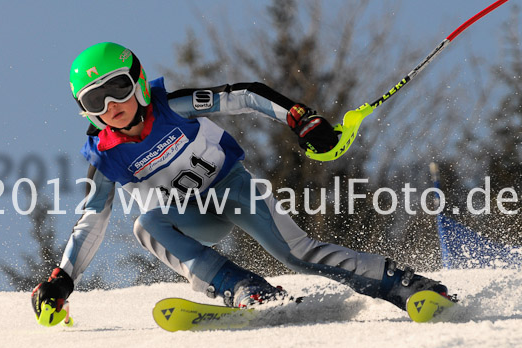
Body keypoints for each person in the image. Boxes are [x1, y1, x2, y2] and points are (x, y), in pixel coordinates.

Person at [32, 42, 449, 325]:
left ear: (138, 82)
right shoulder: (105, 158)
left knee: (299, 253)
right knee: (146, 225)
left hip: (233, 188)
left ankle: (403, 285)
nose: (112, 106)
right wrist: (63, 279)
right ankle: (246, 290)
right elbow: (91, 220)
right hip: (193, 215)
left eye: (118, 88)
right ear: (85, 112)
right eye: (94, 100)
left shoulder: (172, 107)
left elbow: (244, 95)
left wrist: (299, 118)